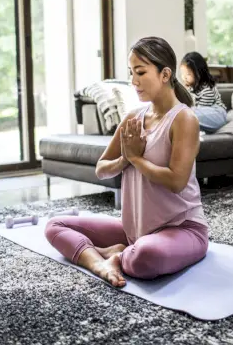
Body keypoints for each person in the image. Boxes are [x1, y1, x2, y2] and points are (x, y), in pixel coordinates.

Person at [45, 36, 208, 287]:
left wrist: (135, 158)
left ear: (165, 74)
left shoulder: (184, 119)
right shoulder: (133, 118)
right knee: (56, 226)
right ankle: (99, 261)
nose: (133, 81)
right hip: (136, 230)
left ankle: (119, 254)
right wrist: (124, 159)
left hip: (182, 229)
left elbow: (176, 181)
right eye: (131, 72)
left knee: (147, 256)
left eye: (140, 72)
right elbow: (101, 169)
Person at [180, 51, 227, 133]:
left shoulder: (207, 89)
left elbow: (202, 109)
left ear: (199, 73)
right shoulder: (191, 87)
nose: (184, 77)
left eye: (188, 74)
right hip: (203, 112)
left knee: (185, 113)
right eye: (182, 74)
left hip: (217, 114)